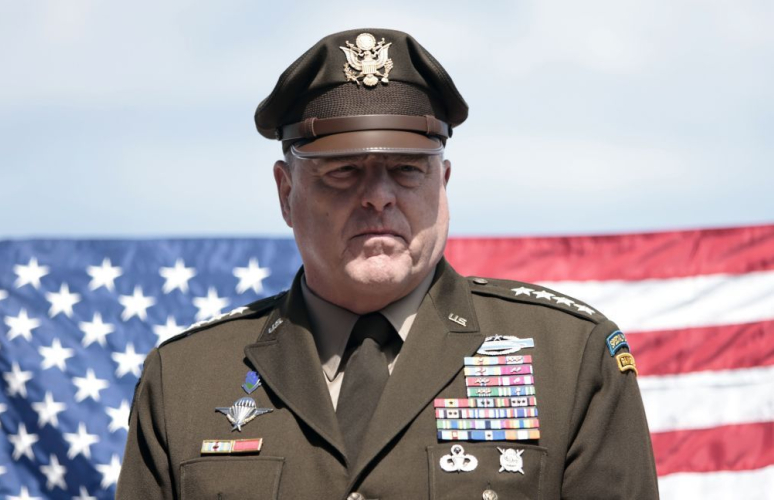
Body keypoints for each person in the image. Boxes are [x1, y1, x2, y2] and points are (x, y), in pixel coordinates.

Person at [117, 28, 658, 500]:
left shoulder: (569, 359)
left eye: (406, 169)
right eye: (342, 170)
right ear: (286, 194)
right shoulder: (186, 379)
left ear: (443, 184)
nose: (378, 196)